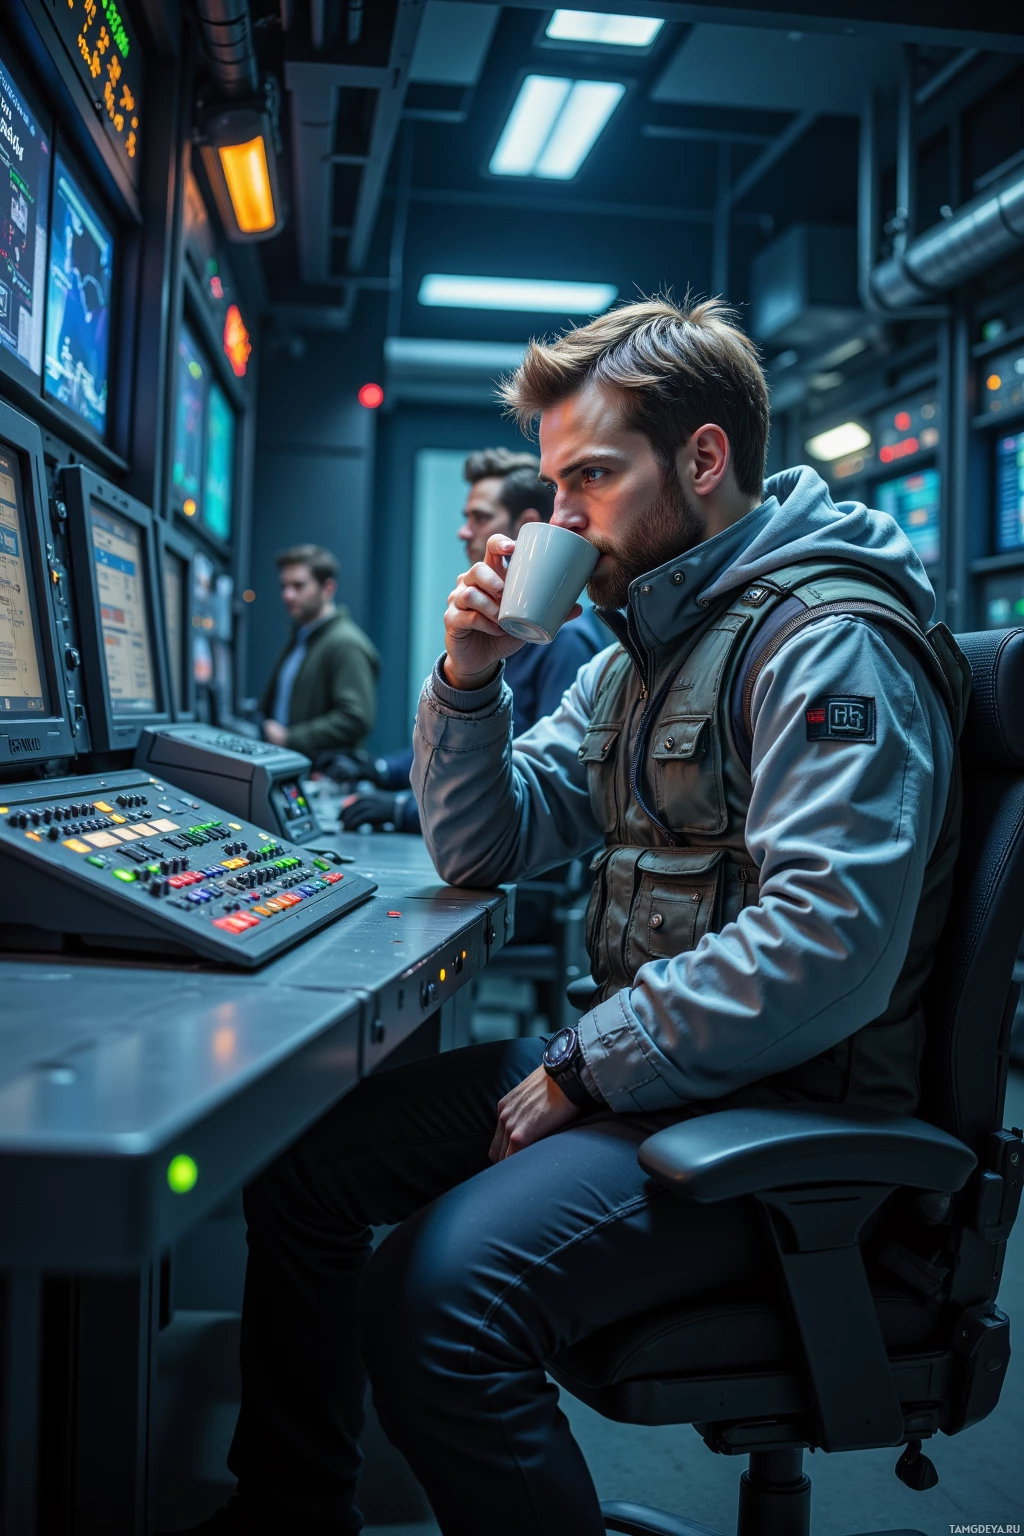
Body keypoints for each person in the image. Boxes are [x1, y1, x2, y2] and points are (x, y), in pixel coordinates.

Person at [176, 296, 967, 1536]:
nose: (562, 520)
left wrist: (585, 1066)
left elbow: (829, 940)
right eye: (553, 488)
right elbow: (486, 842)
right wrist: (467, 680)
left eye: (592, 477)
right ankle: (292, 1512)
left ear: (703, 461)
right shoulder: (637, 651)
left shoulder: (828, 642)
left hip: (781, 1111)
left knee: (437, 1298)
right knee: (307, 1166)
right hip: (660, 1079)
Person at [338, 448, 606, 831]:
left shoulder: (566, 641)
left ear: (524, 527)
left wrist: (400, 809)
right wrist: (381, 769)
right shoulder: (499, 629)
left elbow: (538, 788)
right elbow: (459, 747)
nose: (464, 531)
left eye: (479, 517)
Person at [259, 544, 380, 761]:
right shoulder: (300, 638)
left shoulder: (346, 643)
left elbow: (356, 718)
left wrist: (290, 738)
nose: (287, 595)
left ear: (328, 588)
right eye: (284, 586)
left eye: (298, 586)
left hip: (320, 775)